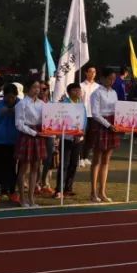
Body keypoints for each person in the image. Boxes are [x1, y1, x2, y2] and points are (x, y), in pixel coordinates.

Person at [88, 68, 119, 203]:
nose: (111, 81)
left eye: (113, 79)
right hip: (101, 125)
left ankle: (102, 191)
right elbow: (95, 113)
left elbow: (117, 108)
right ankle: (93, 192)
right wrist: (108, 125)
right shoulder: (96, 93)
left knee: (106, 160)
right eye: (109, 78)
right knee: (97, 160)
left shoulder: (114, 93)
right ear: (103, 78)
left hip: (112, 125)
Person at [14, 78, 46, 209]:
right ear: (28, 88)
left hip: (39, 135)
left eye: (38, 87)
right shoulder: (22, 104)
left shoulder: (42, 103)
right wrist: (34, 133)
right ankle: (22, 197)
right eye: (34, 87)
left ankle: (31, 198)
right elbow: (19, 124)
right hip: (27, 135)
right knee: (24, 168)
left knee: (35, 167)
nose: (37, 90)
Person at [0, 83, 20, 204]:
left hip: (14, 141)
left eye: (13, 97)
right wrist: (2, 114)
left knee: (12, 168)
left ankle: (12, 192)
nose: (10, 99)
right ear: (4, 96)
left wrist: (15, 112)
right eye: (8, 97)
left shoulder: (20, 105)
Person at [54, 83, 86, 199]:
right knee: (64, 164)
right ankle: (58, 189)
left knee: (73, 164)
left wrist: (81, 132)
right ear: (69, 92)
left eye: (79, 90)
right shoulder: (64, 103)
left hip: (78, 139)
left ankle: (68, 188)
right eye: (75, 90)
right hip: (67, 138)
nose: (78, 92)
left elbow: (84, 119)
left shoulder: (81, 104)